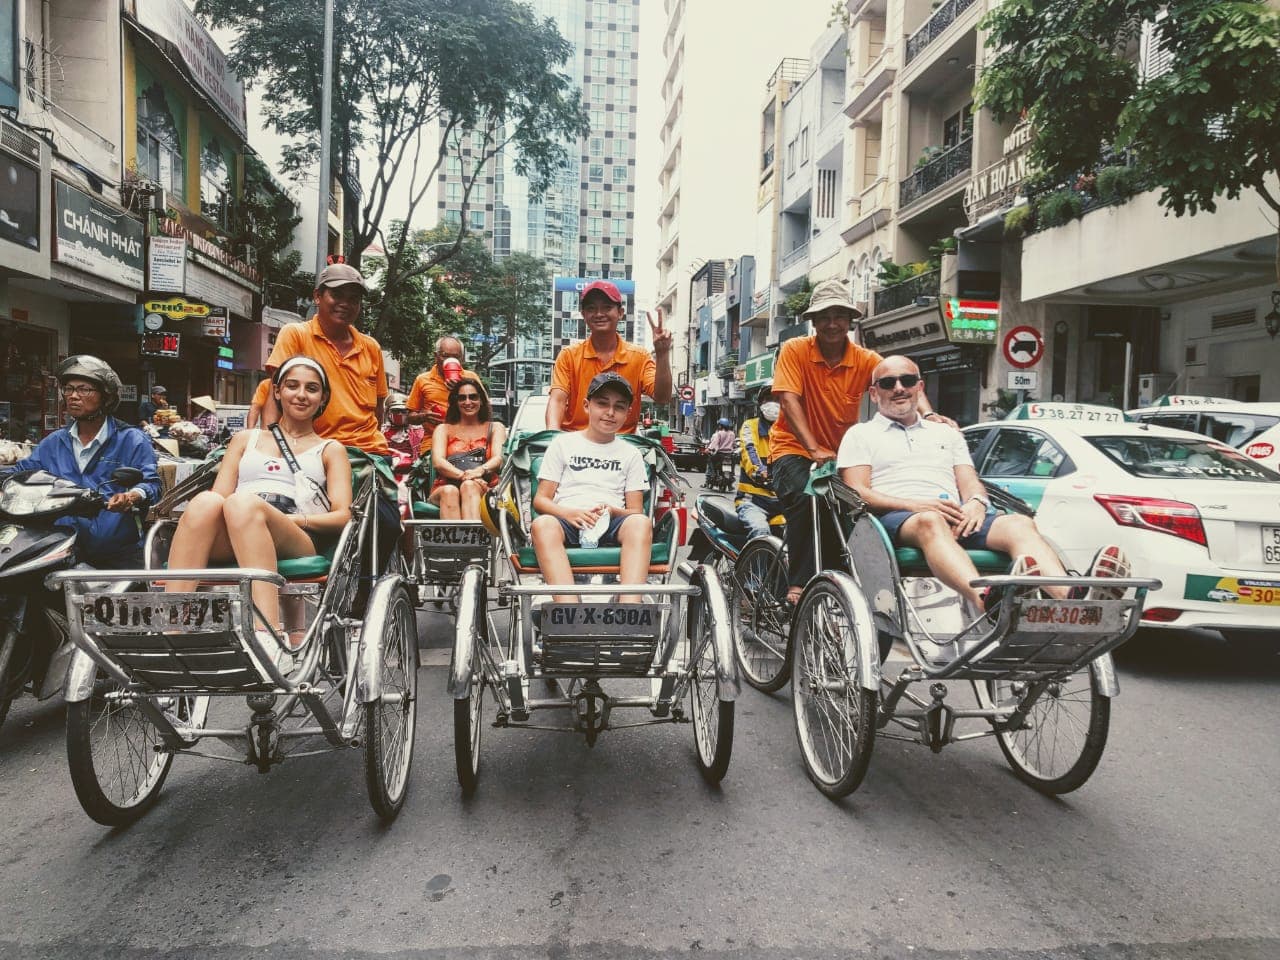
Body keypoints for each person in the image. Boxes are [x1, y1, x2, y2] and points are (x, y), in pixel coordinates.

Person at [838, 356, 1130, 612]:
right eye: (888, 383)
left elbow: (970, 483)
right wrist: (917, 505)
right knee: (930, 521)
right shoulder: (861, 434)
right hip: (898, 520)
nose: (899, 388)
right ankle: (986, 600)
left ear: (920, 387)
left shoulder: (947, 433)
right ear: (875, 394)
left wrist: (977, 503)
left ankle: (1073, 601)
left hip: (957, 516)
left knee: (1018, 524)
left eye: (907, 380)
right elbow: (858, 491)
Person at [770, 277, 949, 606]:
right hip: (793, 450)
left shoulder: (865, 358)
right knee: (810, 498)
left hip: (838, 457)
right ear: (813, 322)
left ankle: (843, 583)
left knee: (856, 513)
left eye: (840, 316)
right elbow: (789, 401)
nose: (832, 324)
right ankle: (798, 585)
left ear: (850, 321)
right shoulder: (795, 350)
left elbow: (900, 379)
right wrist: (813, 449)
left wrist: (929, 414)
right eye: (824, 316)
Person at [164, 356, 353, 664]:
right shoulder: (244, 439)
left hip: (295, 536)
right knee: (206, 501)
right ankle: (173, 630)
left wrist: (293, 518)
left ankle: (268, 632)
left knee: (243, 502)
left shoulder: (330, 449)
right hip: (237, 526)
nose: (301, 394)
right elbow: (220, 496)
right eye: (292, 386)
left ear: (322, 399)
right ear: (276, 391)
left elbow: (343, 515)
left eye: (312, 388)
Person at [2, 356, 160, 568]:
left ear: (106, 397)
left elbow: (151, 483)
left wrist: (132, 495)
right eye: (68, 389)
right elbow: (22, 473)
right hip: (59, 551)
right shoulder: (54, 442)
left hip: (118, 556)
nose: (74, 396)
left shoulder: (131, 439)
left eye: (84, 390)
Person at [531, 372, 652, 603]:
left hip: (612, 523)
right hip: (567, 519)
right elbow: (541, 500)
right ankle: (569, 610)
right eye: (602, 404)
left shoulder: (632, 454)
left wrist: (613, 511)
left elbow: (636, 511)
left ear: (627, 413)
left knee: (641, 523)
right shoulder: (562, 444)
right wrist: (569, 512)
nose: (610, 412)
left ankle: (630, 611)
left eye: (619, 407)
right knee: (542, 524)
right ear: (587, 406)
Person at [262, 256, 389, 455]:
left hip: (366, 453)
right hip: (310, 450)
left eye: (353, 299)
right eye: (337, 295)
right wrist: (266, 448)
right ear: (318, 296)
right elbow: (274, 397)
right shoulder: (296, 334)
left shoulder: (371, 347)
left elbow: (379, 409)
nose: (345, 304)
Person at [546, 280, 672, 434]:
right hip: (574, 441)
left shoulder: (639, 357)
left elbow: (662, 397)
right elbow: (557, 400)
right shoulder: (569, 356)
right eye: (591, 308)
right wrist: (552, 437)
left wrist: (662, 352)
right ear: (584, 314)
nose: (599, 314)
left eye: (607, 307)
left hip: (622, 444)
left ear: (620, 312)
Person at [429, 377, 507, 521]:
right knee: (449, 491)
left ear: (482, 400)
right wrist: (464, 475)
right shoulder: (443, 429)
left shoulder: (496, 428)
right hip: (446, 485)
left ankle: (474, 543)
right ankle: (455, 543)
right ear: (456, 402)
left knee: (469, 486)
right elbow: (438, 462)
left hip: (485, 485)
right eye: (462, 398)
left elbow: (498, 458)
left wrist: (479, 472)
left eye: (473, 397)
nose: (468, 402)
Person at [405, 337, 480, 452]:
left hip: (467, 443)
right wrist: (424, 417)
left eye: (456, 357)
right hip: (433, 443)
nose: (450, 360)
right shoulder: (423, 380)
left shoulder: (471, 378)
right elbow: (410, 417)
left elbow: (487, 411)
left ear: (462, 358)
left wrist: (462, 389)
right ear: (436, 356)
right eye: (445, 356)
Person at [735, 383, 784, 540]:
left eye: (778, 399)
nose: (773, 403)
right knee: (760, 531)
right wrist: (760, 471)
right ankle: (758, 566)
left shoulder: (790, 430)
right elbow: (750, 452)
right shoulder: (750, 426)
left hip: (783, 503)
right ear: (761, 403)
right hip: (753, 502)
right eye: (769, 399)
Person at [383, 397, 425, 467]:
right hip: (387, 469)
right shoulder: (381, 432)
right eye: (396, 411)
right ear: (388, 412)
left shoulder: (418, 432)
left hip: (412, 470)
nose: (400, 414)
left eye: (403, 411)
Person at [704, 416, 736, 483]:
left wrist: (709, 449)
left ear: (721, 426)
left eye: (719, 425)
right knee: (733, 464)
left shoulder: (719, 433)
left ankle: (713, 474)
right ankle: (731, 475)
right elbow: (734, 444)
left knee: (710, 460)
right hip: (730, 454)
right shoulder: (732, 434)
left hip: (720, 454)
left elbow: (715, 442)